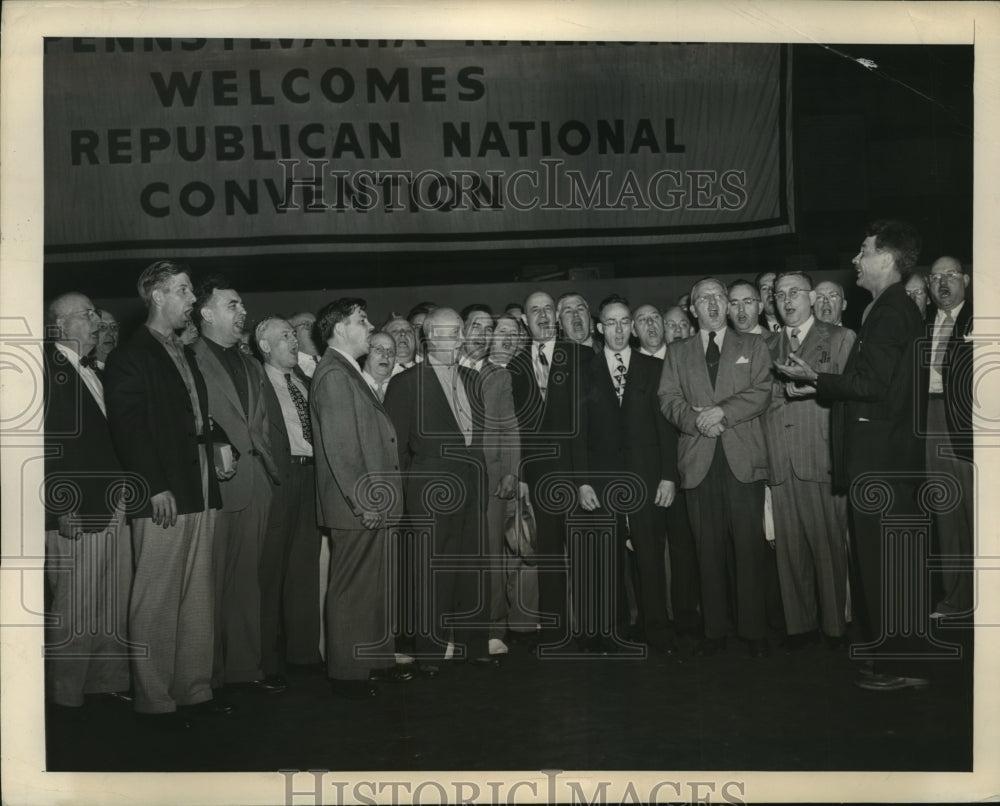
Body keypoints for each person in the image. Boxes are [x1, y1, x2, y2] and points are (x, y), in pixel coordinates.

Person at [775, 219, 930, 691]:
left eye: (863, 251)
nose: (855, 261)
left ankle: (905, 665)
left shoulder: (888, 311)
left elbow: (870, 385)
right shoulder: (892, 308)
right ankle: (895, 657)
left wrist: (815, 381)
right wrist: (816, 383)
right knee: (887, 565)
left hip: (880, 462)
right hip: (888, 459)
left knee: (886, 566)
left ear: (886, 258)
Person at [104, 260, 224, 727]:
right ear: (157, 296)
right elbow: (129, 429)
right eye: (184, 291)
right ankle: (153, 698)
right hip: (162, 491)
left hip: (196, 486)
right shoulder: (131, 356)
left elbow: (192, 419)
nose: (193, 300)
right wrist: (154, 486)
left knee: (196, 594)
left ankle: (192, 689)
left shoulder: (182, 352)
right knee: (155, 596)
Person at [659, 277, 773, 657]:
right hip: (698, 459)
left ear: (727, 305)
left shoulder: (754, 344)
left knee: (748, 548)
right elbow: (668, 399)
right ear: (692, 309)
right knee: (706, 550)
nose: (711, 304)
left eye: (718, 297)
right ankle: (716, 631)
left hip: (743, 459)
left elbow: (761, 391)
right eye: (702, 299)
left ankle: (753, 632)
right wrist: (696, 422)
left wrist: (721, 411)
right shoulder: (677, 351)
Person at [384, 308, 495, 673]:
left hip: (471, 487)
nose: (456, 338)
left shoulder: (471, 378)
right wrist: (400, 501)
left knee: (471, 569)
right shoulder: (406, 384)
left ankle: (474, 646)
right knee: (431, 574)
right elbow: (396, 449)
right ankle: (429, 653)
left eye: (458, 331)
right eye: (447, 332)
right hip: (427, 492)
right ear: (428, 337)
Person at [191, 276, 281, 694]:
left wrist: (266, 467)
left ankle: (245, 671)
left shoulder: (249, 363)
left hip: (255, 482)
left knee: (247, 583)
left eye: (242, 305)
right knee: (209, 587)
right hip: (215, 483)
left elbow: (257, 422)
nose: (242, 312)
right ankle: (205, 679)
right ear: (206, 312)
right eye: (232, 305)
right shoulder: (187, 358)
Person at [311, 298, 405, 698]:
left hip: (370, 501)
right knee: (352, 587)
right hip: (360, 504)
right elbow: (341, 447)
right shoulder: (334, 375)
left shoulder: (345, 371)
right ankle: (348, 672)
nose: (369, 326)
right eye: (361, 320)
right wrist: (362, 501)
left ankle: (376, 661)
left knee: (374, 586)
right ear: (338, 329)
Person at [43, 293, 132, 714]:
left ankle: (105, 684)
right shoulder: (47, 370)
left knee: (110, 597)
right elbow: (44, 446)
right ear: (60, 327)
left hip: (112, 501)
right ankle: (65, 697)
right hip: (77, 507)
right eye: (88, 315)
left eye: (97, 313)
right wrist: (61, 506)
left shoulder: (95, 370)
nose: (97, 321)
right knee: (75, 605)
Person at [581, 296, 679, 654]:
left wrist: (669, 476)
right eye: (612, 322)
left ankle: (657, 631)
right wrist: (584, 482)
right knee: (608, 558)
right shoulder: (585, 371)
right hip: (602, 480)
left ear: (633, 328)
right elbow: (580, 434)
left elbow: (667, 429)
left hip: (648, 478)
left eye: (625, 322)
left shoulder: (653, 369)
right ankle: (615, 632)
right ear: (600, 327)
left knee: (650, 557)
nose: (619, 329)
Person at [763, 272, 856, 648]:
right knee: (790, 550)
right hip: (779, 458)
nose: (787, 301)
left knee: (828, 546)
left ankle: (834, 627)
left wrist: (815, 384)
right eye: (780, 294)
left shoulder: (839, 338)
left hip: (820, 455)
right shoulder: (765, 344)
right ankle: (799, 627)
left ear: (812, 298)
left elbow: (852, 394)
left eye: (795, 293)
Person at [508, 291, 589, 650]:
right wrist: (524, 478)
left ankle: (592, 629)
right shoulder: (516, 367)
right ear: (524, 320)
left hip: (580, 473)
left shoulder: (583, 357)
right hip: (540, 478)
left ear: (556, 315)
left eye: (547, 309)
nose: (542, 316)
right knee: (551, 556)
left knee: (587, 554)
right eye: (534, 311)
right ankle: (557, 633)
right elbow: (517, 429)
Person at [256, 316, 323, 678]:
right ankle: (265, 659)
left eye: (294, 336)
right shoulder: (256, 381)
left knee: (304, 569)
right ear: (264, 345)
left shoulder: (308, 383)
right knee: (270, 572)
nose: (294, 341)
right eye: (284, 336)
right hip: (278, 481)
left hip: (311, 478)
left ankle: (303, 654)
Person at [923, 256, 974, 619]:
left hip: (971, 427)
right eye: (936, 277)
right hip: (930, 420)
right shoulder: (920, 325)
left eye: (951, 275)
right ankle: (956, 599)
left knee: (979, 513)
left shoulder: (982, 318)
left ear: (966, 280)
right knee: (946, 513)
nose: (943, 282)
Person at [361, 331, 397, 402]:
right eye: (379, 349)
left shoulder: (401, 388)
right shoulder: (353, 383)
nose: (386, 355)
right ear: (366, 353)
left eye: (391, 352)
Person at [458, 304, 494, 372]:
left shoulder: (500, 375)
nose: (483, 335)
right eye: (476, 327)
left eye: (488, 329)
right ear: (462, 330)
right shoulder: (445, 368)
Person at [288, 312, 320, 380]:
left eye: (316, 325)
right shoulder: (288, 370)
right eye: (307, 325)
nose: (315, 330)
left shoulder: (332, 359)